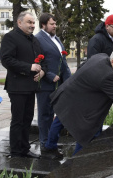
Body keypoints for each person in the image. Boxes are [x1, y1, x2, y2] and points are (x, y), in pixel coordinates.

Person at [43, 49, 113, 158]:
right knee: (88, 133)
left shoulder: (101, 56)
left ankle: (49, 147)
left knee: (60, 118)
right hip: (75, 97)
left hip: (69, 92)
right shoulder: (108, 76)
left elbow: (82, 67)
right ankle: (75, 162)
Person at [0, 11, 47, 158]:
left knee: (27, 119)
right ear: (19, 23)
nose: (32, 25)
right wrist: (29, 67)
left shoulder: (33, 40)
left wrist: (42, 72)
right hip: (17, 86)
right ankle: (15, 152)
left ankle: (25, 148)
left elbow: (42, 59)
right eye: (29, 22)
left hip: (31, 86)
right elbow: (6, 60)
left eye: (33, 23)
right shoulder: (10, 37)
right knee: (18, 120)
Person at [34, 13, 71, 149]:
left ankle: (51, 141)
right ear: (43, 25)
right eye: (52, 24)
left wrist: (68, 80)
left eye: (55, 24)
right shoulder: (37, 39)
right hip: (45, 83)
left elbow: (63, 61)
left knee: (55, 113)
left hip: (59, 83)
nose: (55, 26)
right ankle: (44, 142)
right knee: (45, 114)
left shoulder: (57, 39)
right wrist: (49, 75)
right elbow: (37, 59)